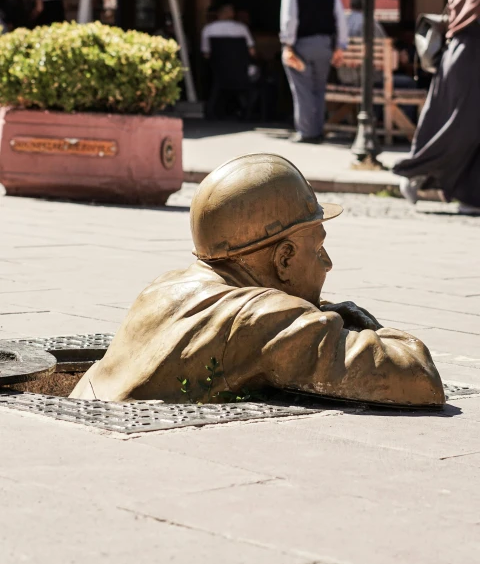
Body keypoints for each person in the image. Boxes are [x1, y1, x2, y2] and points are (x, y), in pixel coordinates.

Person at [70, 154, 444, 407]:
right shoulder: (265, 317)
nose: (327, 264)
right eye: (318, 249)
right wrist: (370, 329)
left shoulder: (164, 286)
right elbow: (419, 378)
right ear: (283, 258)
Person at [394, 0, 480, 214]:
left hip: (465, 59)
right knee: (459, 127)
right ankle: (414, 172)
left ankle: (471, 196)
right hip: (470, 61)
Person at [280, 0, 348, 143]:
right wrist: (340, 47)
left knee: (302, 89)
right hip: (325, 45)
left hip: (301, 44)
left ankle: (306, 132)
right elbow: (340, 19)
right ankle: (317, 130)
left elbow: (289, 19)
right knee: (319, 89)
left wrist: (288, 45)